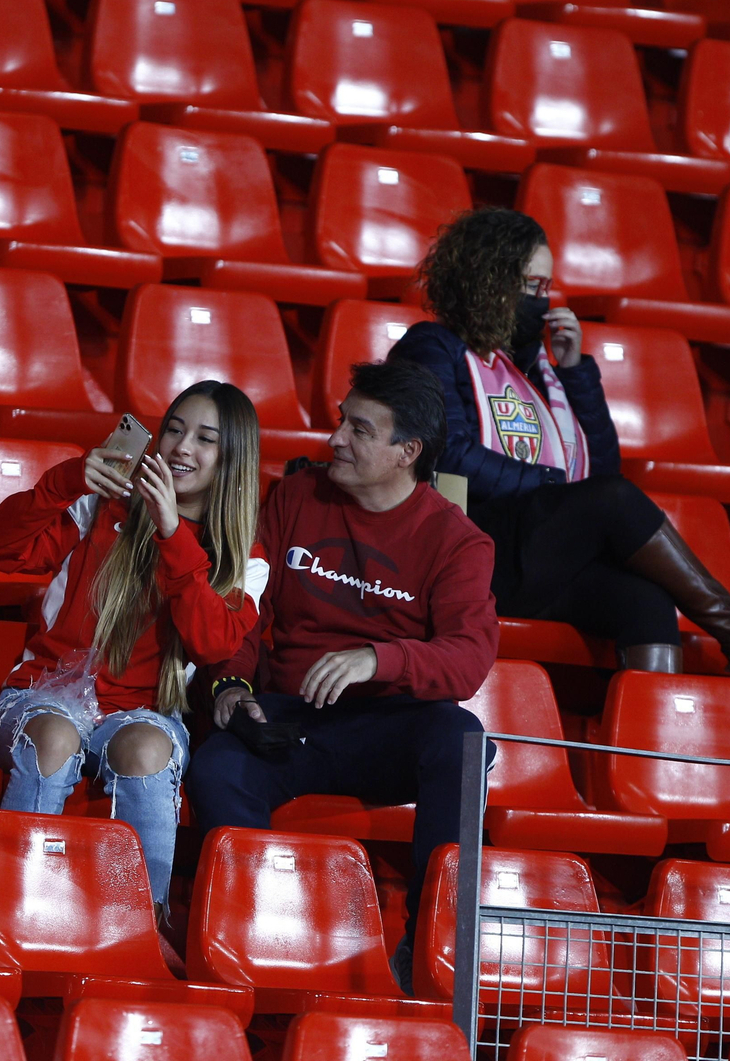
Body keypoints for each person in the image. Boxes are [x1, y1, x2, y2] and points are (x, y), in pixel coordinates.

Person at [388, 207, 730, 684]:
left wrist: (573, 372)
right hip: (472, 550)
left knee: (644, 602)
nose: (543, 302)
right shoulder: (432, 346)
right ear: (488, 279)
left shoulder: (537, 367)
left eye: (547, 288)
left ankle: (651, 753)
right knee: (612, 499)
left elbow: (602, 467)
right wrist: (551, 485)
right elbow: (447, 452)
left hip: (539, 553)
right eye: (532, 286)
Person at [186, 358, 499, 993]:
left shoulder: (458, 540)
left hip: (387, 724)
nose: (335, 441)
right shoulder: (297, 497)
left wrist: (378, 659)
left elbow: (468, 659)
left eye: (359, 430)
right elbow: (247, 607)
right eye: (341, 423)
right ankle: (260, 936)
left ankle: (429, 942)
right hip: (292, 717)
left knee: (462, 740)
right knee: (218, 765)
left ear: (406, 451)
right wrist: (232, 683)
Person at [0, 381, 268, 921]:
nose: (181, 447)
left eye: (205, 439)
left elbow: (215, 641)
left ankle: (136, 927)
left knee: (147, 750)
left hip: (143, 714)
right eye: (175, 429)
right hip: (41, 698)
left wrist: (172, 533)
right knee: (55, 734)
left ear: (233, 461)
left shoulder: (244, 558)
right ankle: (10, 910)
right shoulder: (102, 505)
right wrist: (62, 482)